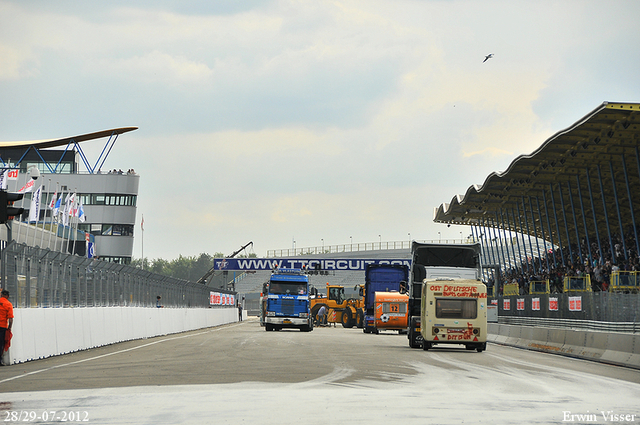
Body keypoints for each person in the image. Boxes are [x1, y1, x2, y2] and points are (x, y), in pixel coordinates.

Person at [0, 289, 13, 366]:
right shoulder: (8, 304)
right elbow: (10, 318)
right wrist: (9, 328)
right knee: (1, 343)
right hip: (2, 326)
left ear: (1, 295)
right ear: (8, 296)